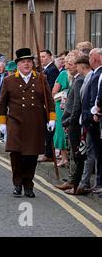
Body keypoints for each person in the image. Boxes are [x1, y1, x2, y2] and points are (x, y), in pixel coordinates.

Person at [0, 48, 55, 198]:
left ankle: (28, 184)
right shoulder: (9, 80)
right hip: (15, 122)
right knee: (16, 153)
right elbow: (2, 103)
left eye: (29, 61)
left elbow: (49, 100)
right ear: (17, 64)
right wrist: (2, 122)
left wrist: (52, 118)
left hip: (35, 122)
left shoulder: (41, 78)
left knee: (31, 155)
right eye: (23, 62)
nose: (27, 64)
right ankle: (17, 183)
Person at [58, 55, 90, 195]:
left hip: (75, 123)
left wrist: (70, 121)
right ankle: (72, 180)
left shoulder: (79, 81)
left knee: (76, 153)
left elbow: (77, 104)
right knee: (73, 152)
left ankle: (74, 181)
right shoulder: (77, 80)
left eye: (71, 64)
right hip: (73, 121)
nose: (67, 67)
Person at [80, 48, 102, 194]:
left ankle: (99, 183)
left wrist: (96, 110)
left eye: (90, 58)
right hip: (90, 117)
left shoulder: (98, 74)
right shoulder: (95, 74)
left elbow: (98, 95)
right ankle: (98, 182)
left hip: (94, 118)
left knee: (97, 152)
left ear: (94, 59)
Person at [38, 49, 60, 162]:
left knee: (49, 129)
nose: (42, 59)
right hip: (43, 103)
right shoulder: (44, 69)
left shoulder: (52, 70)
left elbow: (50, 88)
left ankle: (49, 154)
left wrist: (47, 103)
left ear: (50, 57)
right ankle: (47, 152)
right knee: (46, 129)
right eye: (40, 57)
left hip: (49, 104)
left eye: (44, 57)